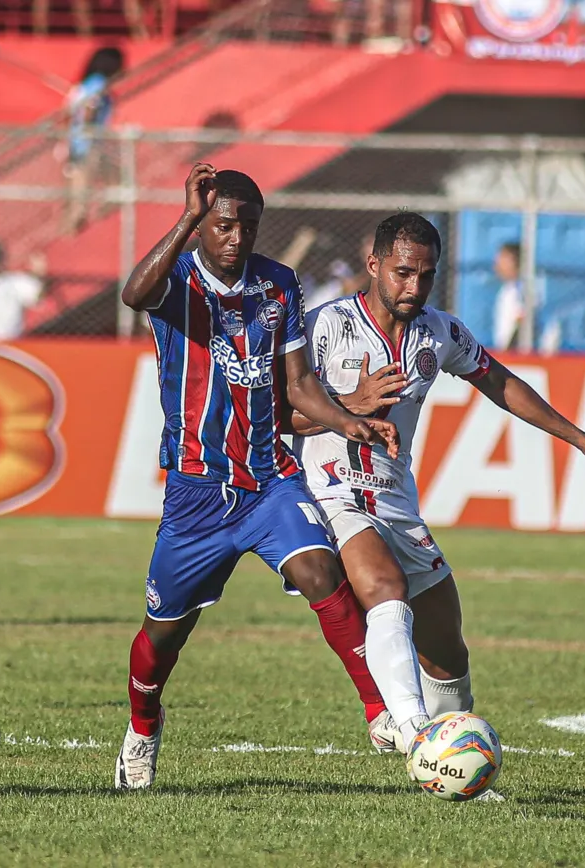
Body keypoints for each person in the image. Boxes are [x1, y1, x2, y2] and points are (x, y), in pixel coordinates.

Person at [287, 212, 585, 756]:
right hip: (329, 490)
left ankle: (456, 760)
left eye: (427, 275)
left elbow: (500, 382)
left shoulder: (440, 332)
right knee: (385, 589)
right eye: (403, 272)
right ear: (374, 265)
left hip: (393, 495)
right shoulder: (321, 326)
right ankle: (412, 736)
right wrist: (348, 407)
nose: (414, 287)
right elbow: (270, 415)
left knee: (446, 647)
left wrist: (581, 439)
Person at [113, 163, 412, 790]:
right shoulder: (178, 281)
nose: (235, 238)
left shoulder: (277, 285)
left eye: (246, 226)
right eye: (222, 225)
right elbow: (134, 295)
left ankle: (379, 711)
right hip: (196, 489)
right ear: (203, 226)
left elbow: (300, 384)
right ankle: (142, 728)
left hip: (268, 477)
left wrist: (349, 420)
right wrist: (187, 218)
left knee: (318, 570)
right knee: (162, 638)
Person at [61, 47, 125, 235]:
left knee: (84, 193)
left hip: (81, 144)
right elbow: (89, 110)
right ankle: (72, 232)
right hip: (89, 146)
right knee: (81, 198)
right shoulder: (98, 84)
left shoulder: (85, 85)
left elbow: (69, 112)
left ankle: (79, 224)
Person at [492, 241, 523, 351]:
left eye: (502, 260)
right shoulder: (507, 290)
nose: (497, 265)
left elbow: (522, 322)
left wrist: (508, 351)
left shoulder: (522, 291)